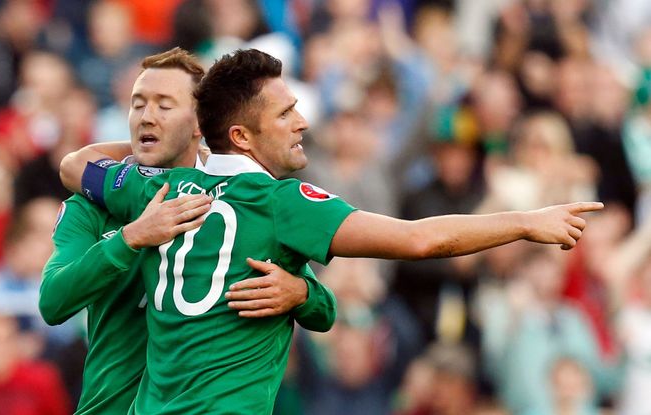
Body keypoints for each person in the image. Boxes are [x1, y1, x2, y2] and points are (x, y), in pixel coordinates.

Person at [60, 49, 603, 414]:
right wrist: (527, 222)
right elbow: (420, 240)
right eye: (286, 114)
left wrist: (302, 292)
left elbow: (75, 164)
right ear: (243, 135)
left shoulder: (156, 190)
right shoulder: (284, 204)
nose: (302, 123)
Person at [40, 48, 338, 414]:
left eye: (164, 106)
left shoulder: (235, 201)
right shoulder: (91, 206)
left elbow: (324, 313)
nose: (146, 117)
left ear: (200, 121)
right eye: (137, 105)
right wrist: (132, 238)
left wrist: (302, 293)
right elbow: (53, 301)